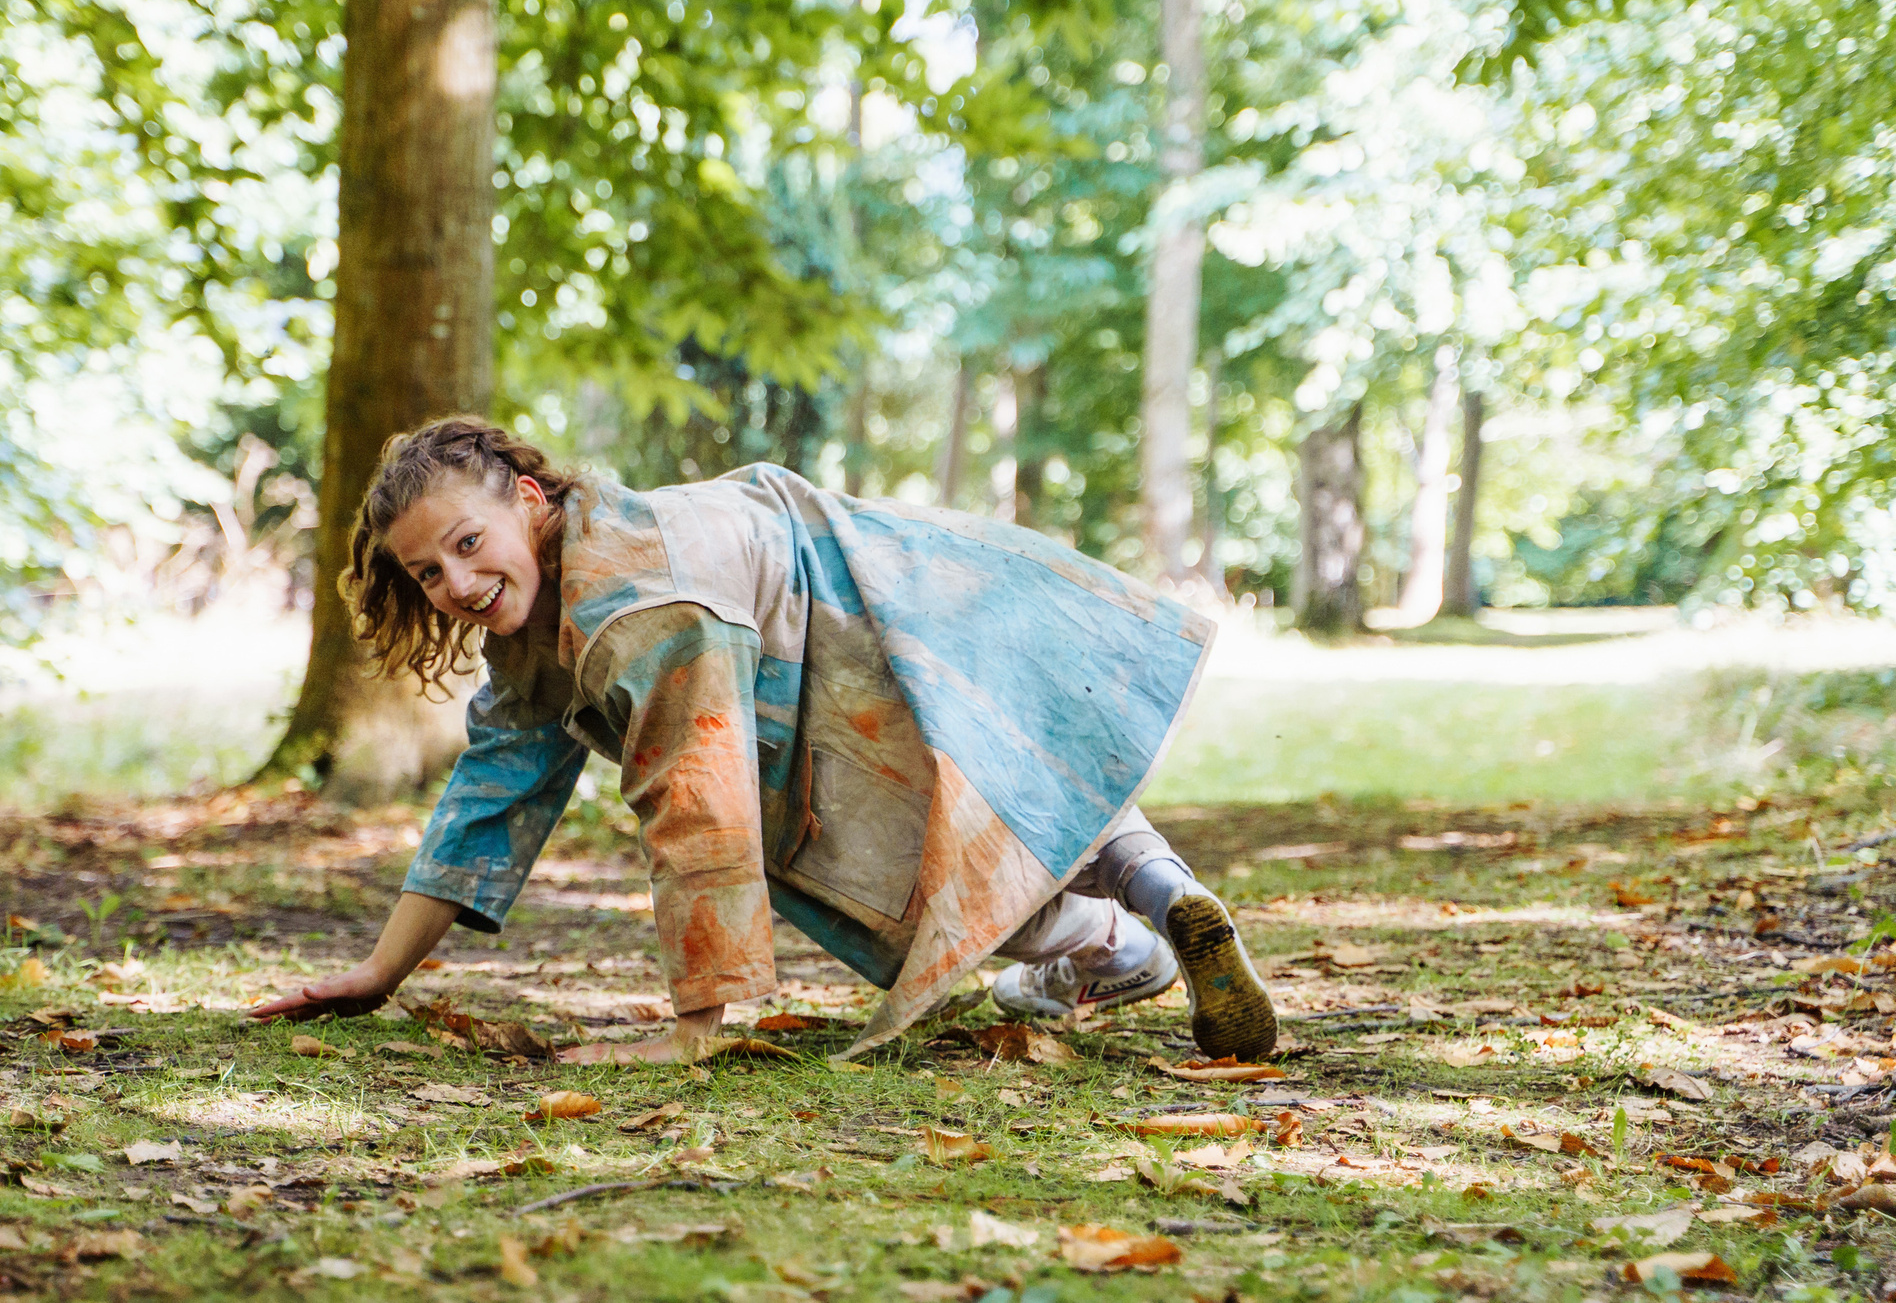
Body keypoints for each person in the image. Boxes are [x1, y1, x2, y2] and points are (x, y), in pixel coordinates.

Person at [250, 417, 1273, 1065]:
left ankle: (1101, 952)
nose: (458, 585)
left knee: (930, 871)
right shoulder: (554, 598)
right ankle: (1164, 901)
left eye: (467, 546)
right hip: (896, 597)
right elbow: (490, 796)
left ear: (526, 498)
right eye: (428, 574)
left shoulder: (627, 613)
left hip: (854, 640)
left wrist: (700, 1026)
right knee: (1018, 777)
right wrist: (380, 975)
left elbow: (694, 804)